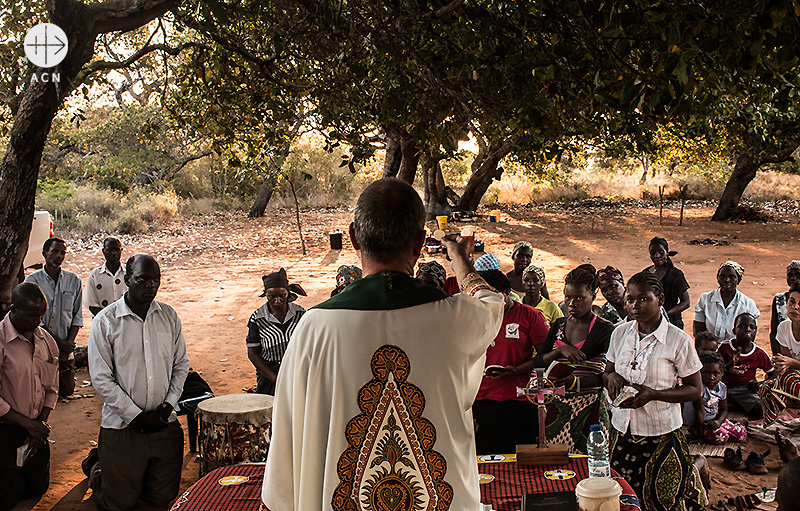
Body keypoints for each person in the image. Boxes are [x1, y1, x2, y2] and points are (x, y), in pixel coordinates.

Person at [261, 178, 504, 511]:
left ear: (353, 237)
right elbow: (491, 302)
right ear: (420, 243)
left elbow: (289, 436)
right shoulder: (456, 319)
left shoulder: (313, 328)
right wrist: (458, 257)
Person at [86, 254, 190, 511]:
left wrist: (167, 406)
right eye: (142, 279)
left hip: (162, 424)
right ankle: (98, 468)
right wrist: (134, 415)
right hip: (123, 427)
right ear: (127, 280)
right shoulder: (106, 322)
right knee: (117, 503)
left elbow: (181, 365)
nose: (150, 285)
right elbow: (101, 378)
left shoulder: (168, 316)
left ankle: (126, 474)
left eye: (155, 279)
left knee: (161, 497)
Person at [604, 271, 707, 511]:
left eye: (643, 299)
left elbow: (694, 389)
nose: (634, 305)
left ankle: (696, 469)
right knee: (621, 499)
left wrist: (654, 394)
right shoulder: (620, 333)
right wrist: (612, 378)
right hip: (622, 431)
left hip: (661, 433)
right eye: (630, 299)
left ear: (660, 299)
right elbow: (606, 372)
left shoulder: (678, 340)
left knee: (663, 501)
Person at [532, 265, 615, 453]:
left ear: (593, 296)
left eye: (579, 298)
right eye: (568, 297)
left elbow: (609, 375)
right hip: (556, 409)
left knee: (590, 461)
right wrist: (559, 352)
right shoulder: (559, 325)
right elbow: (537, 363)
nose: (572, 303)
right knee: (557, 464)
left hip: (589, 408)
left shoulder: (604, 329)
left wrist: (575, 382)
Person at [473, 269, 549, 454]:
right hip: (482, 399)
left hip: (520, 400)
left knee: (521, 460)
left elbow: (545, 357)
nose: (490, 305)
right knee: (485, 460)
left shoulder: (530, 316)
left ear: (507, 293)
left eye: (495, 298)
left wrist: (515, 371)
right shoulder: (474, 316)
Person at [0, 283, 58, 511]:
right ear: (13, 309)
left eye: (41, 315)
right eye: (32, 315)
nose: (38, 321)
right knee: (8, 497)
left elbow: (52, 386)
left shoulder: (46, 341)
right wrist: (27, 425)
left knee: (37, 489)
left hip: (36, 427)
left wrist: (40, 424)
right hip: (7, 429)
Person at [25, 237, 82, 397]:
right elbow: (36, 322)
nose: (59, 256)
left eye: (62, 253)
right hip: (40, 344)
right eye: (55, 251)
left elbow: (77, 316)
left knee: (66, 391)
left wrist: (69, 343)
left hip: (64, 348)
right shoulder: (33, 281)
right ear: (45, 253)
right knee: (39, 390)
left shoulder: (73, 281)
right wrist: (59, 344)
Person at [246, 269, 306, 395]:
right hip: (269, 375)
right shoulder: (257, 319)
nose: (277, 300)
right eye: (272, 296)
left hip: (297, 371)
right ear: (266, 295)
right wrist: (275, 378)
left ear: (288, 293)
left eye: (282, 295)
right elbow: (253, 353)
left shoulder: (300, 314)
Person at [718, 313, 776, 418]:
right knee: (710, 404)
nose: (748, 329)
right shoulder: (724, 347)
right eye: (742, 327)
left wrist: (760, 384)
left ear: (756, 331)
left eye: (752, 327)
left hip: (745, 391)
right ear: (734, 331)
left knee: (763, 411)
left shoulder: (759, 353)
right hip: (723, 388)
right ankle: (738, 406)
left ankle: (735, 405)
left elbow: (773, 374)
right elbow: (714, 369)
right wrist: (729, 365)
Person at [683, 351, 746, 445]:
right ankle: (699, 432)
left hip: (713, 421)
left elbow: (724, 410)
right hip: (698, 424)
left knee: (742, 435)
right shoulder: (699, 389)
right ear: (700, 373)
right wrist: (700, 437)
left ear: (722, 374)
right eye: (706, 373)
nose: (711, 377)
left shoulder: (722, 387)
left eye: (715, 373)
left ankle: (728, 427)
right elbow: (699, 412)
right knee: (721, 437)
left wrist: (719, 421)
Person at [693, 261, 760, 341]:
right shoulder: (705, 299)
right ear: (717, 278)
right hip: (711, 349)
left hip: (735, 349)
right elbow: (698, 332)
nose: (727, 280)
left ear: (738, 280)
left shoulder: (748, 304)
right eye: (722, 276)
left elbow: (750, 335)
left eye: (732, 277)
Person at [644, 237, 690, 328]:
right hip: (649, 321)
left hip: (671, 322)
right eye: (653, 253)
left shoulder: (676, 275)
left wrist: (666, 314)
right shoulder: (646, 274)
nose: (657, 256)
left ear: (667, 253)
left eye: (661, 252)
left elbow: (686, 302)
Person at [84, 237, 126, 317]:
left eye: (117, 250)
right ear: (103, 251)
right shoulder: (95, 275)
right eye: (109, 250)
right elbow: (92, 305)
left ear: (121, 251)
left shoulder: (129, 273)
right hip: (103, 323)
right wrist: (106, 320)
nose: (113, 253)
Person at [771, 261, 800, 356]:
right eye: (790, 275)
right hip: (785, 344)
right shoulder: (779, 299)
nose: (793, 278)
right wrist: (777, 356)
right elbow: (774, 331)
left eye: (797, 275)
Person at [775, 282, 800, 372]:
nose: (795, 307)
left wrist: (792, 363)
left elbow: (790, 363)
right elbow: (787, 364)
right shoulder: (783, 327)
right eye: (792, 302)